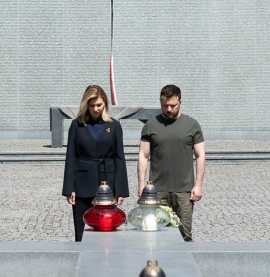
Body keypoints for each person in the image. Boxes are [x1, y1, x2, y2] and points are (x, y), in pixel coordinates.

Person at [61, 84, 130, 241]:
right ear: (86, 105)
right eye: (92, 105)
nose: (96, 109)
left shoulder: (114, 126)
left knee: (106, 231)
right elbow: (71, 156)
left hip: (108, 184)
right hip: (82, 183)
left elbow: (120, 158)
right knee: (82, 231)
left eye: (99, 105)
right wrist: (68, 188)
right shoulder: (76, 125)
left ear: (104, 103)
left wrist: (121, 189)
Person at [138, 83, 205, 241]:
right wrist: (141, 184)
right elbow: (143, 155)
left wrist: (199, 184)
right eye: (165, 105)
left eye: (173, 105)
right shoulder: (151, 125)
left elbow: (200, 155)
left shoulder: (192, 125)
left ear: (180, 101)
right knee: (156, 234)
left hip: (184, 191)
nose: (169, 109)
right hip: (157, 190)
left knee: (185, 235)